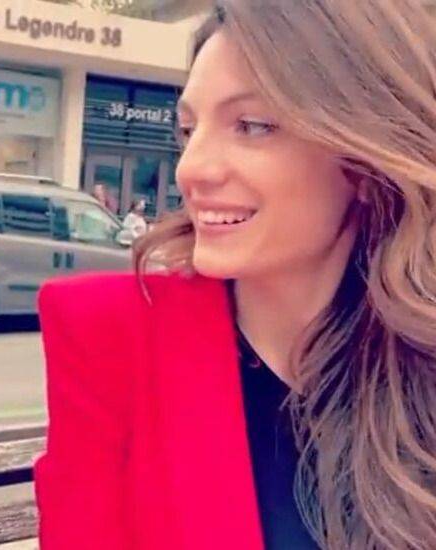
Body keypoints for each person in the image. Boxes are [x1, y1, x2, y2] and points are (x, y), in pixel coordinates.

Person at [35, 1, 436, 549]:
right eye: (188, 129)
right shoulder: (111, 337)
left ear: (368, 163)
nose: (191, 169)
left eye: (252, 126)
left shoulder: (417, 346)